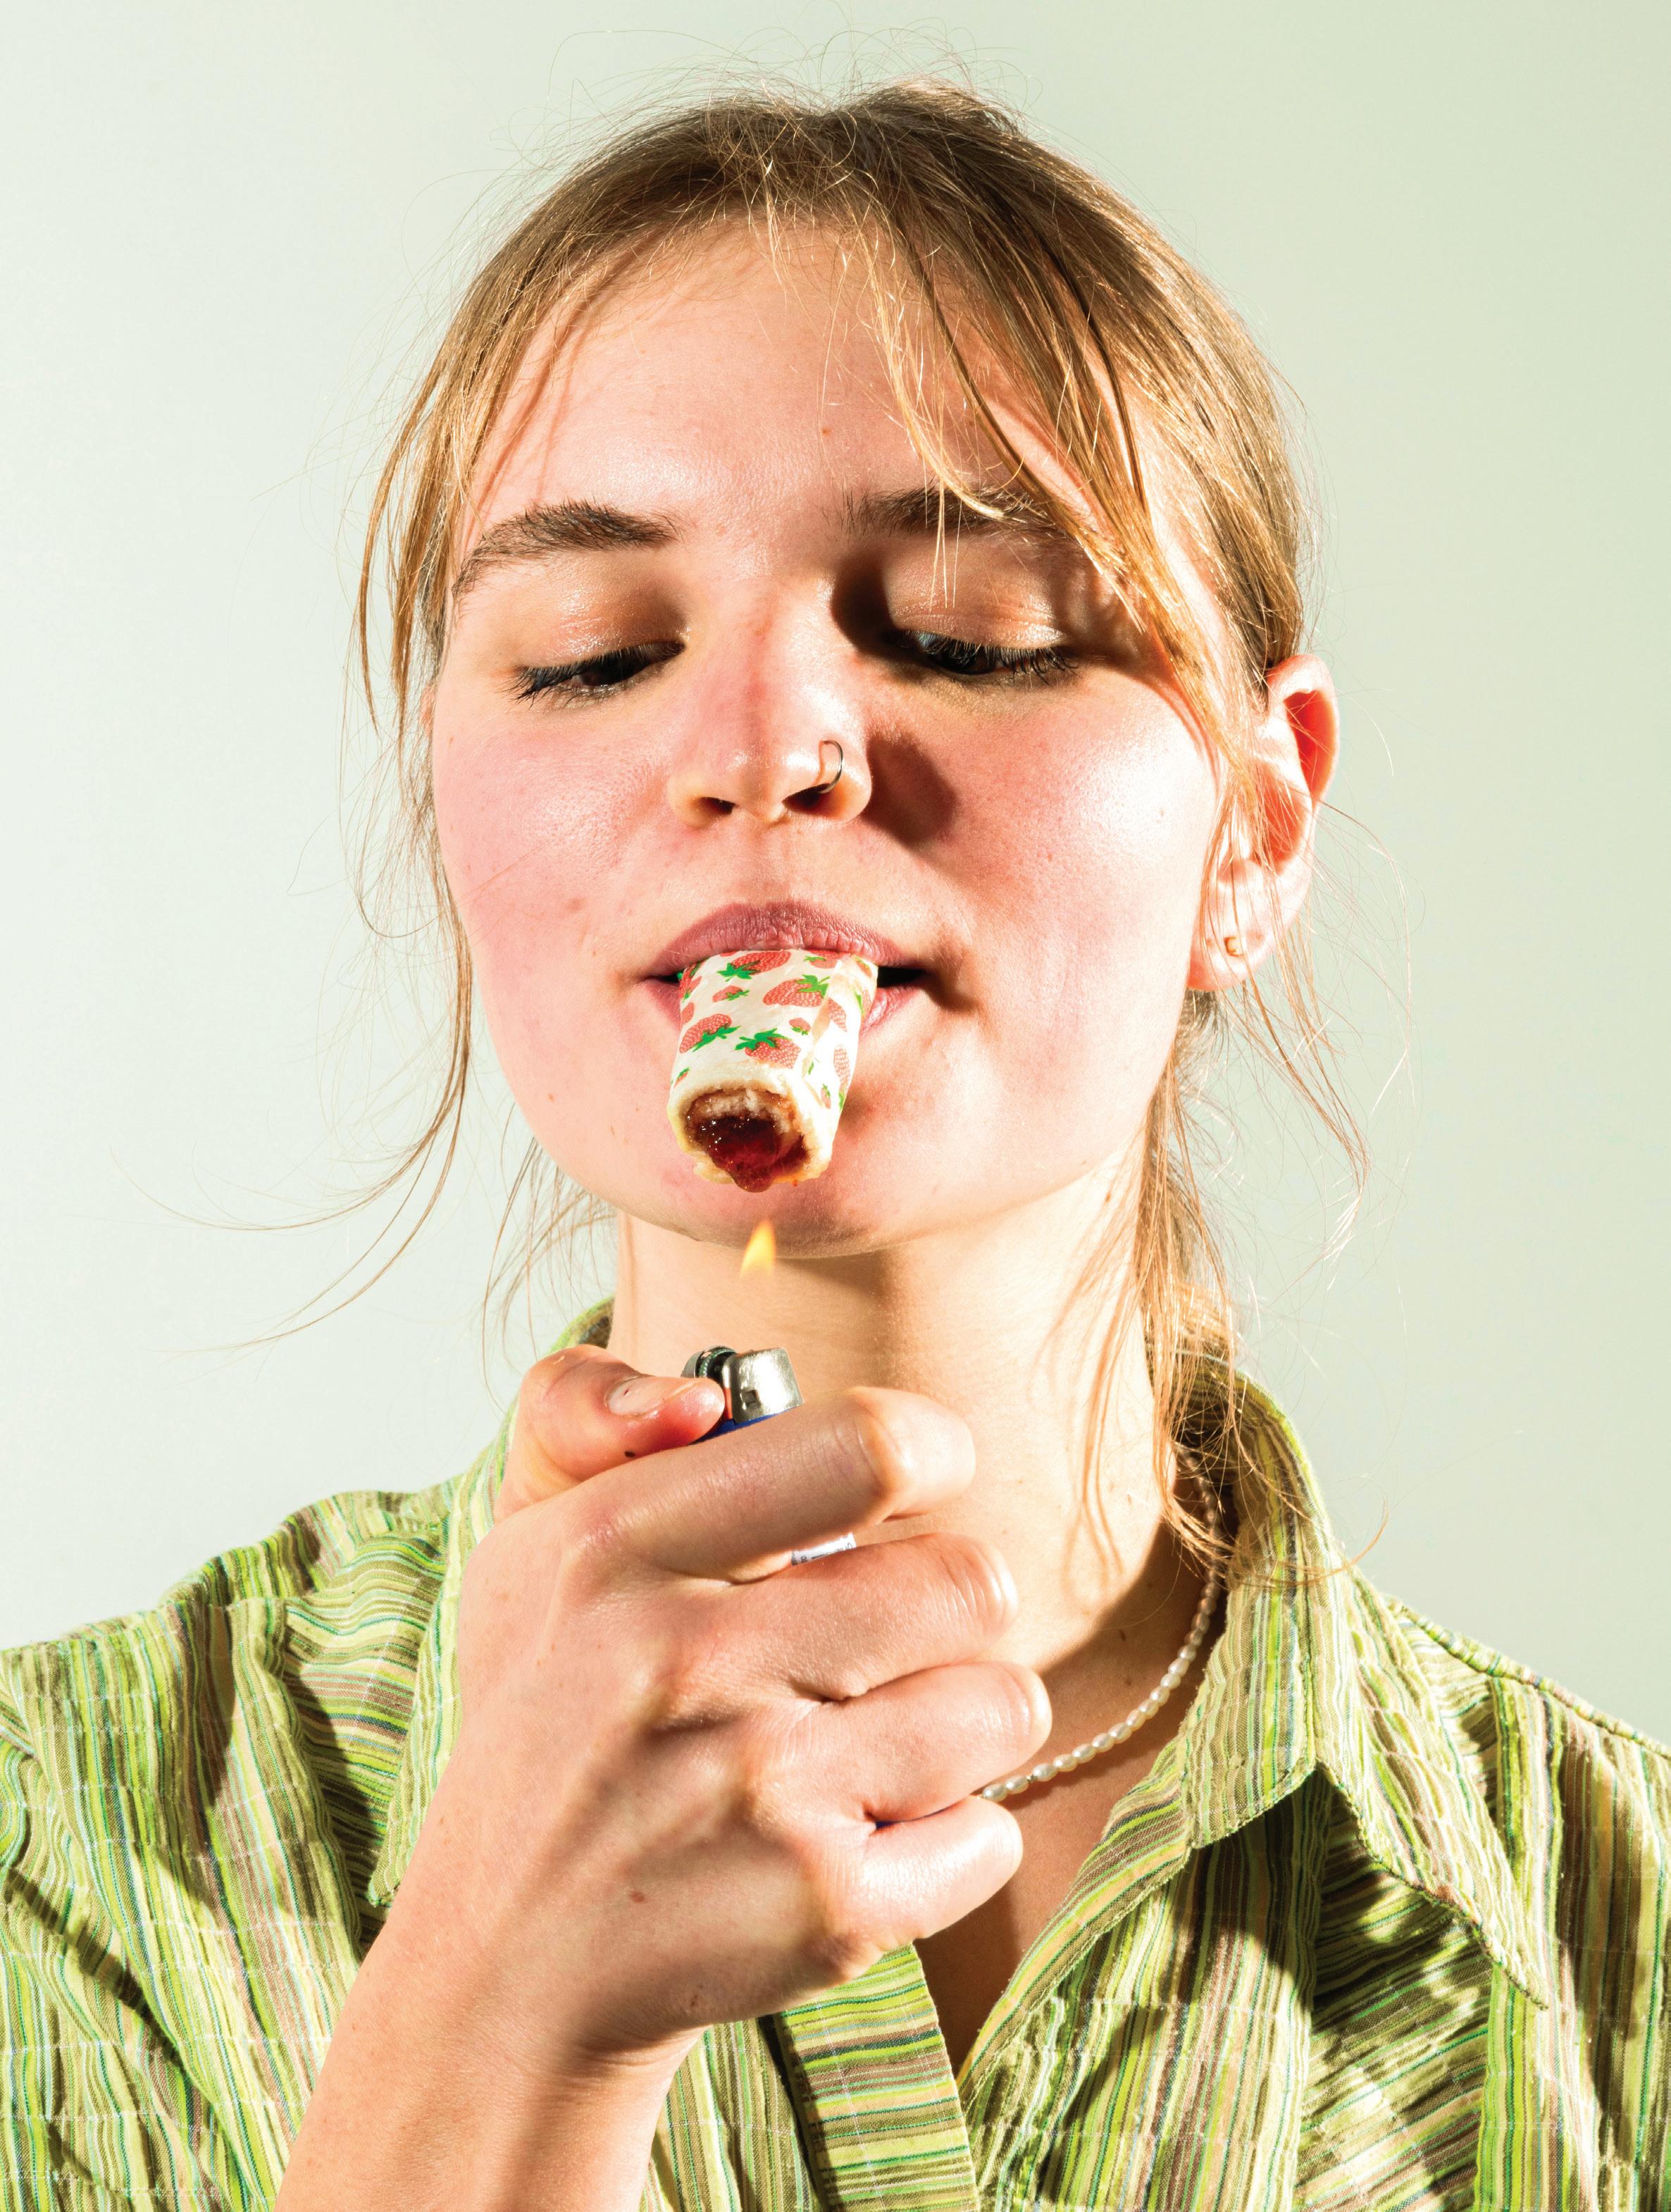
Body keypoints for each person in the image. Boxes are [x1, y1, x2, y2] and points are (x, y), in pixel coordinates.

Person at [2, 80, 1665, 2212]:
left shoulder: (1617, 1962)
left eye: (969, 634)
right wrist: (491, 2041)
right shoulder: (56, 1858)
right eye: (593, 658)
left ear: (1256, 826)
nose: (767, 744)